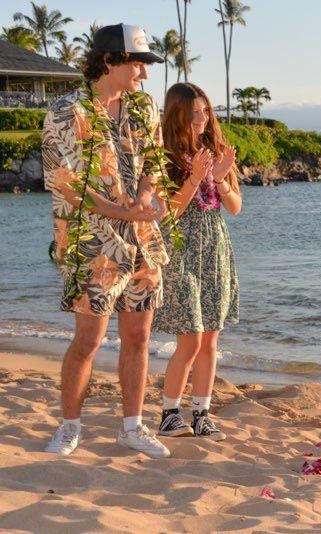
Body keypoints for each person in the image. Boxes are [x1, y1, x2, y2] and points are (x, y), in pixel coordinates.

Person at [42, 24, 171, 457]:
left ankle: (132, 427)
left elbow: (155, 159)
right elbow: (67, 184)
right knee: (89, 340)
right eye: (139, 64)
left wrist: (146, 197)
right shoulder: (66, 110)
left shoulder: (144, 106)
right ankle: (69, 426)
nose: (145, 75)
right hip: (91, 243)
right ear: (110, 61)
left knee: (139, 336)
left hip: (143, 240)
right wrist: (123, 211)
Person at [153, 83, 241, 441]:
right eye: (194, 114)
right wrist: (193, 177)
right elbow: (167, 213)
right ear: (178, 116)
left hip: (215, 251)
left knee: (210, 342)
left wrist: (218, 178)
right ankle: (170, 413)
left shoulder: (217, 152)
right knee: (189, 341)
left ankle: (202, 413)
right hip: (181, 252)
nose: (202, 120)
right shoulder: (165, 157)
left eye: (206, 112)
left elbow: (235, 207)